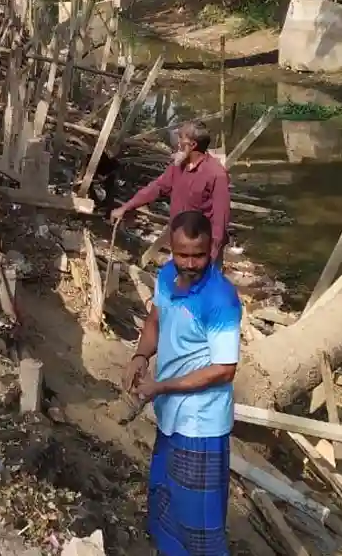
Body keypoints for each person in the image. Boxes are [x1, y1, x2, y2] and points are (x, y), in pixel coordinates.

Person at [124, 210, 240, 556]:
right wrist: (140, 356)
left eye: (198, 255)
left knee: (199, 522)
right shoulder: (166, 276)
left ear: (212, 248)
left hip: (200, 425)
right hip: (170, 416)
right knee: (165, 498)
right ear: (171, 249)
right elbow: (155, 321)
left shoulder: (220, 299)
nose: (190, 264)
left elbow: (224, 369)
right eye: (182, 254)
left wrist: (161, 387)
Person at [111, 120, 231, 262]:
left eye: (181, 138)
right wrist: (126, 207)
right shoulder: (178, 167)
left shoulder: (216, 174)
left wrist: (211, 256)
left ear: (193, 145)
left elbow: (220, 219)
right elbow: (156, 188)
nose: (177, 143)